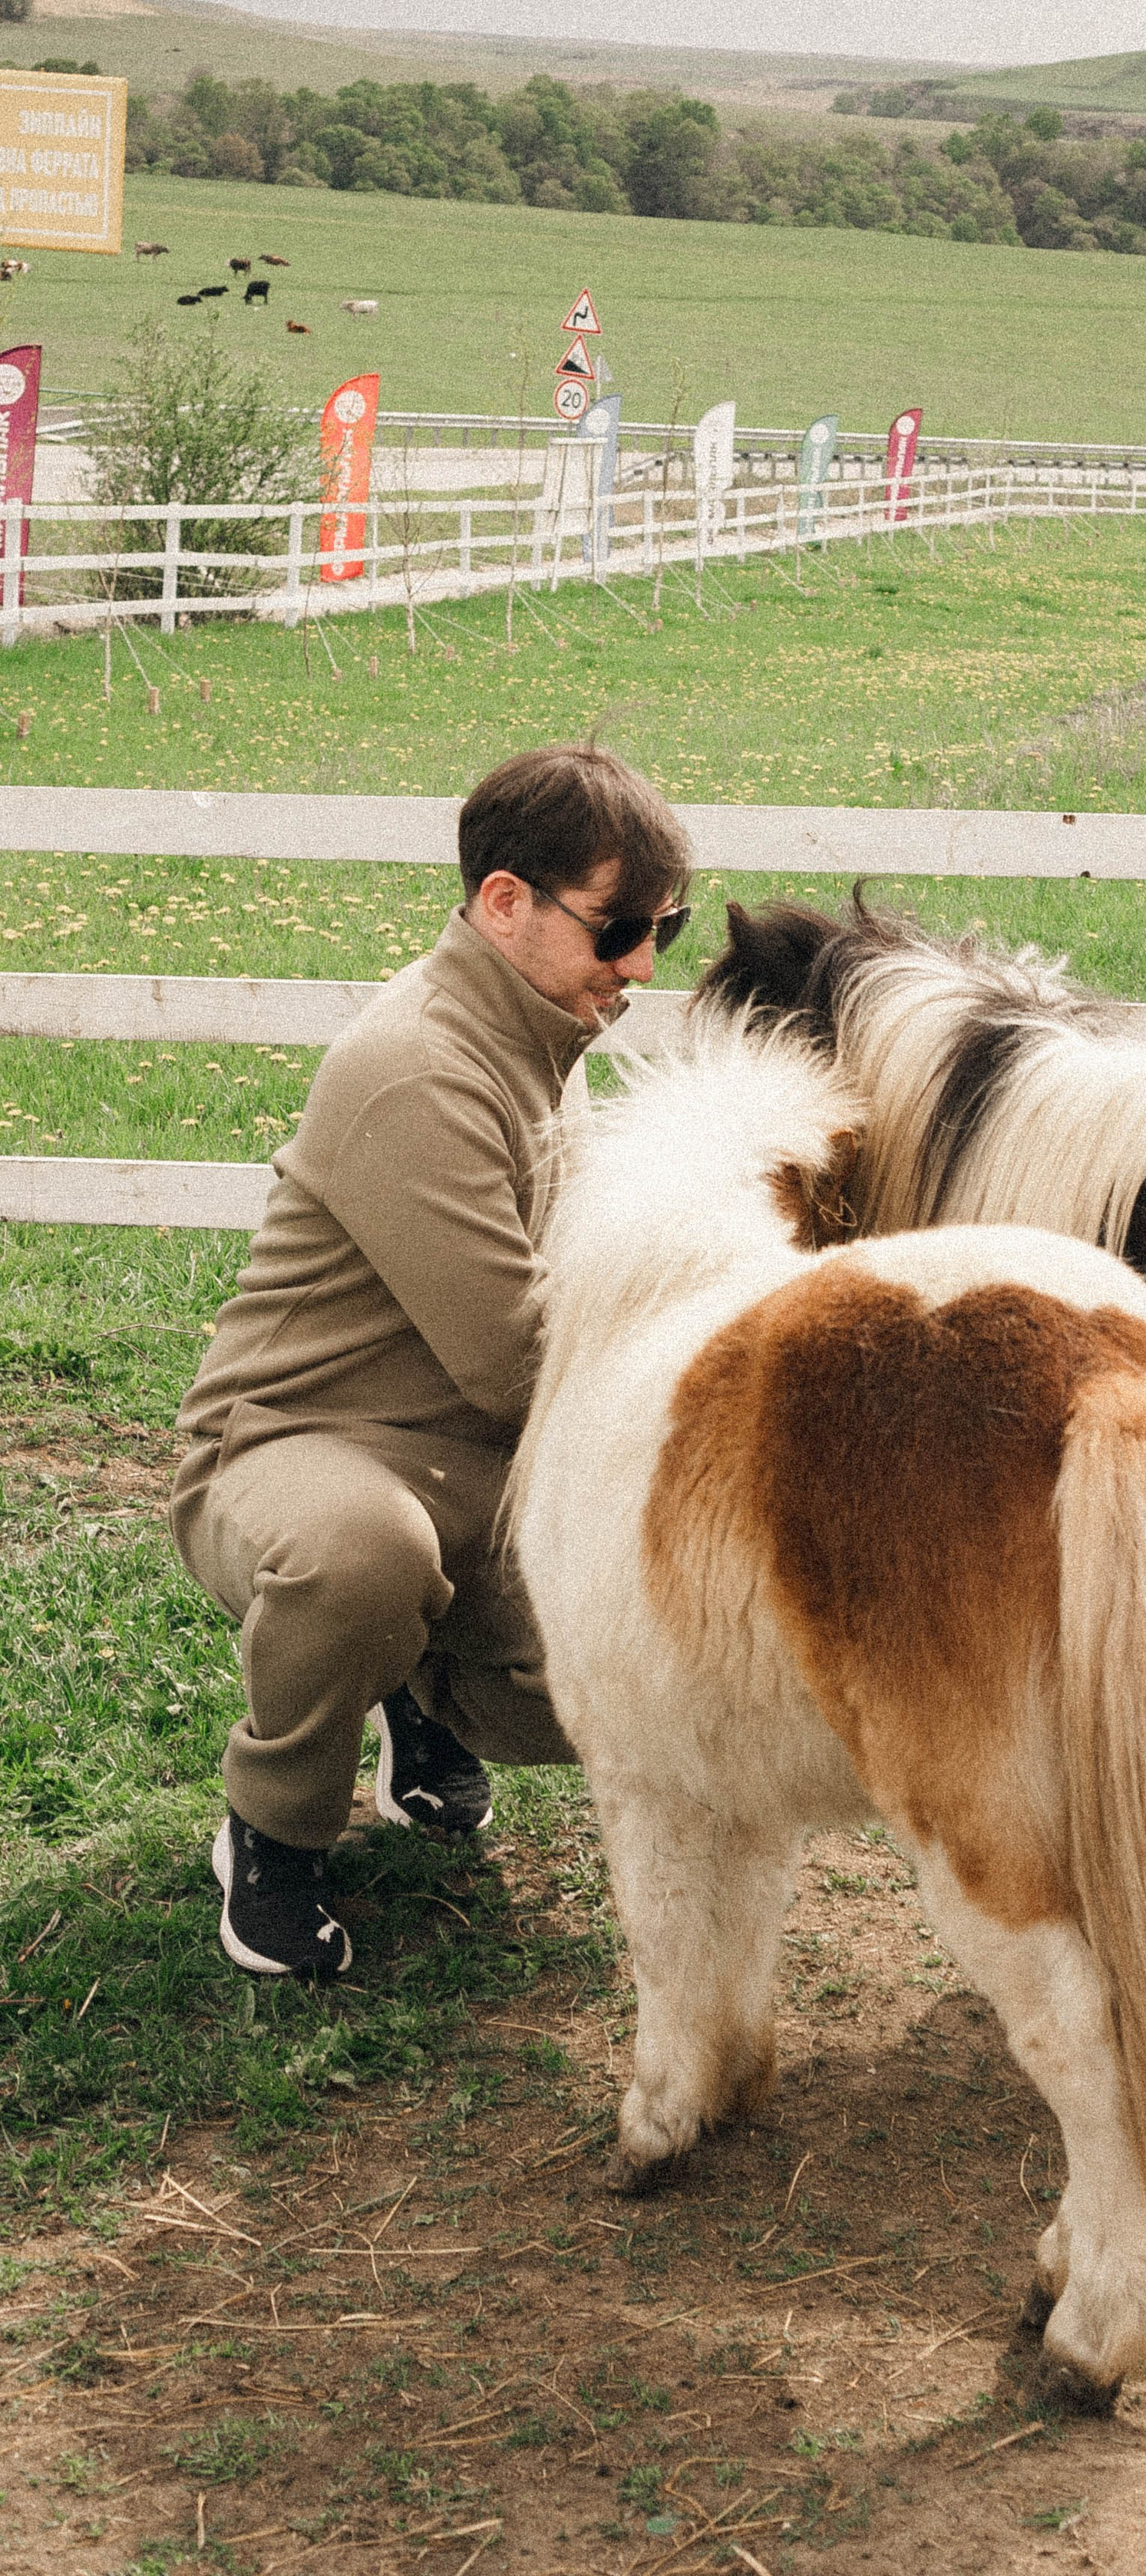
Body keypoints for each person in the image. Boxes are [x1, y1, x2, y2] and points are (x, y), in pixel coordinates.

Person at [171, 742, 692, 1978]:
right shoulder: (418, 1067)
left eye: (661, 926)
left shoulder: (540, 1036)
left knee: (626, 1681)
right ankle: (273, 1835)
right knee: (366, 1559)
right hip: (299, 1450)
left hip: (481, 1470)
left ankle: (414, 1686)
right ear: (506, 902)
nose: (641, 967)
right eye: (617, 926)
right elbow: (517, 1360)